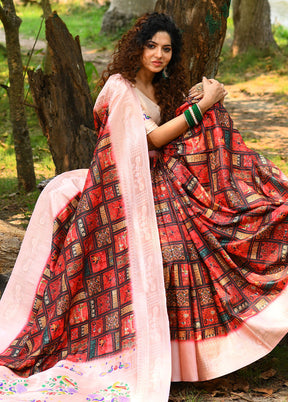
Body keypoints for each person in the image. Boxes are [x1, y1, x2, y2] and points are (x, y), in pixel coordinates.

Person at [0, 11, 288, 402]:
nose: (159, 55)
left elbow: (182, 135)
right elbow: (150, 141)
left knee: (234, 210)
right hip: (123, 185)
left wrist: (207, 98)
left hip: (158, 179)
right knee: (178, 251)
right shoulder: (119, 87)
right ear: (136, 46)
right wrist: (201, 107)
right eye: (152, 46)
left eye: (167, 49)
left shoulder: (163, 88)